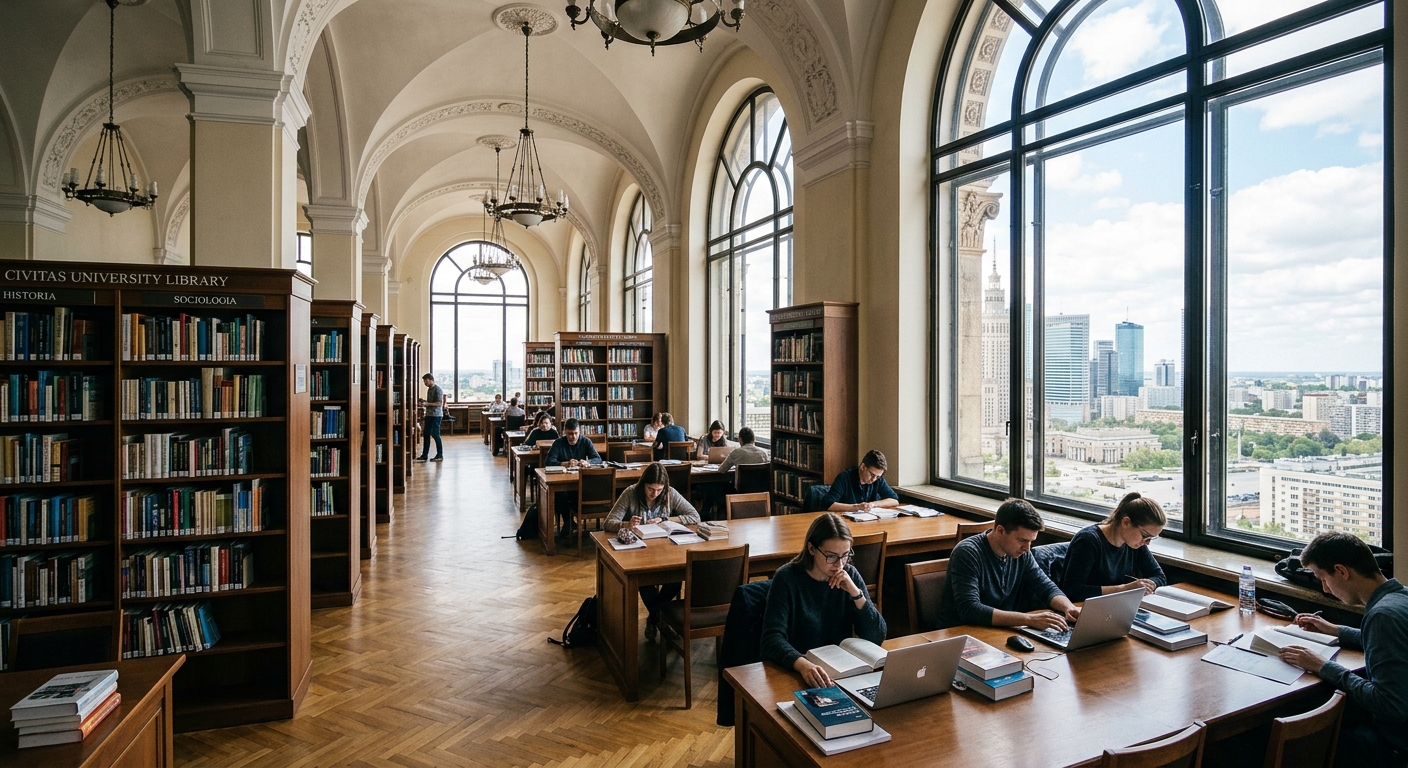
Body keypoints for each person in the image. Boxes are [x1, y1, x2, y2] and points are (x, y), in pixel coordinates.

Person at [1277, 532, 1408, 768]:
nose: (1325, 589)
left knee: (1290, 740)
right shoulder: (1400, 597)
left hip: (1395, 746)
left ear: (1342, 571)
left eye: (1322, 578)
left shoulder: (1381, 616)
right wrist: (1336, 630)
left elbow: (1391, 705)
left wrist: (1323, 666)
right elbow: (1393, 641)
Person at [760, 513, 887, 689]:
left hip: (841, 674)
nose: (839, 564)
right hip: (798, 672)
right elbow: (771, 639)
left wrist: (855, 593)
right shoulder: (787, 578)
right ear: (811, 549)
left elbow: (877, 636)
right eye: (831, 556)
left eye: (845, 555)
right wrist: (802, 664)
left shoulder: (849, 575)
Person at [936, 499, 1080, 631]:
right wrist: (1029, 619)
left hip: (998, 631)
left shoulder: (1021, 553)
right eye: (1022, 540)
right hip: (961, 633)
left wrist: (1069, 608)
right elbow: (970, 609)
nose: (1027, 548)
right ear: (1000, 531)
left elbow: (1045, 587)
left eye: (1031, 541)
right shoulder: (967, 552)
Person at [603, 463, 701, 640]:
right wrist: (626, 524)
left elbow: (694, 516)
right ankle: (661, 619)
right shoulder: (631, 493)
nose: (654, 494)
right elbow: (608, 522)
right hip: (638, 553)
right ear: (643, 484)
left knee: (675, 581)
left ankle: (654, 618)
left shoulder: (669, 493)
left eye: (658, 489)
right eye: (650, 489)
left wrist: (666, 519)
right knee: (645, 583)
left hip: (665, 550)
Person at [1057, 492, 1168, 601]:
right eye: (1145, 536)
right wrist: (1125, 588)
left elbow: (1159, 576)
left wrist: (1148, 585)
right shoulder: (1088, 540)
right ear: (1126, 522)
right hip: (1083, 609)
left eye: (1151, 538)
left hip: (1114, 606)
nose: (1147, 542)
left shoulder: (1135, 543)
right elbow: (1072, 590)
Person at [821, 450, 900, 512]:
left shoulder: (878, 479)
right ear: (863, 467)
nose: (874, 479)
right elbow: (828, 504)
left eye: (878, 477)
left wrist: (872, 504)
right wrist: (856, 507)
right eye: (872, 475)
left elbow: (894, 500)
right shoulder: (844, 477)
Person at [415, 373, 444, 462]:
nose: (425, 383)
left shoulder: (438, 390)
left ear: (432, 380)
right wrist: (424, 402)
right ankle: (424, 455)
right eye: (424, 381)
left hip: (436, 415)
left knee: (435, 434)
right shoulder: (429, 390)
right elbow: (431, 402)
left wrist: (427, 404)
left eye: (426, 381)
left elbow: (439, 403)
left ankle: (440, 455)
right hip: (429, 415)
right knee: (426, 434)